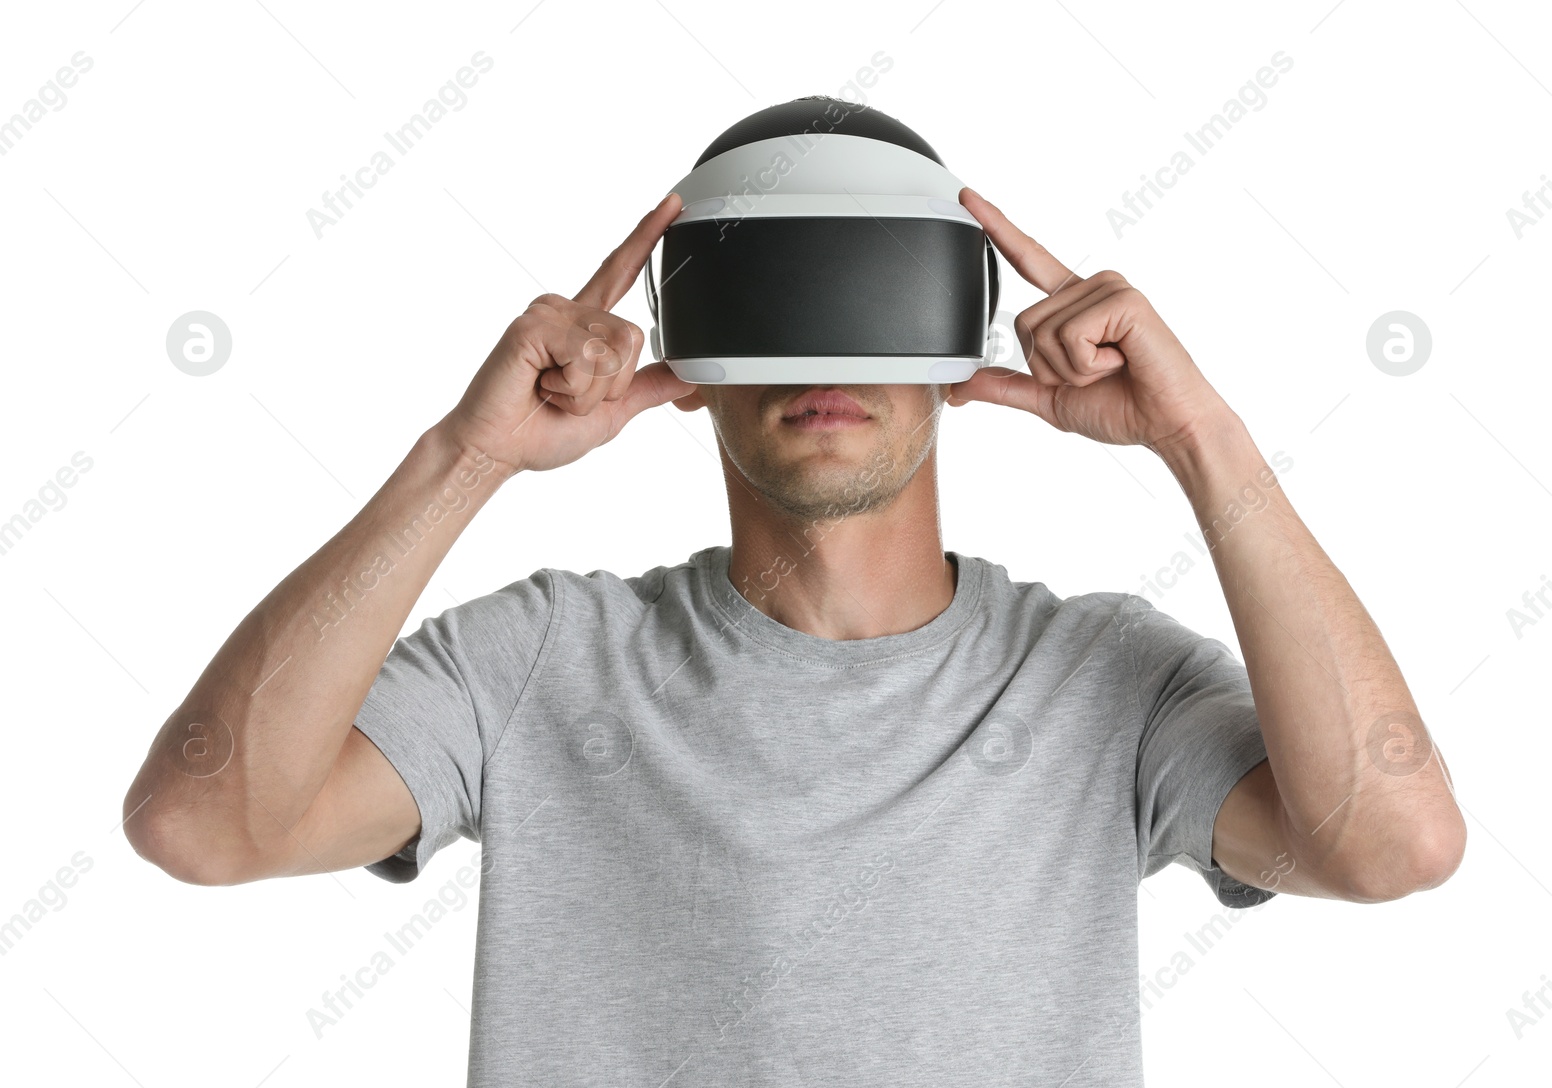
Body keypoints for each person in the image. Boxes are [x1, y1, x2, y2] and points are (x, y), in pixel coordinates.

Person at [122, 109, 1466, 1086]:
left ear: (955, 342)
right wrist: (466, 459)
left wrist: (1204, 441)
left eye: (874, 299)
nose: (827, 356)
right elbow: (203, 823)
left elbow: (1392, 843)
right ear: (689, 351)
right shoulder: (541, 661)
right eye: (774, 295)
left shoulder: (1101, 680)